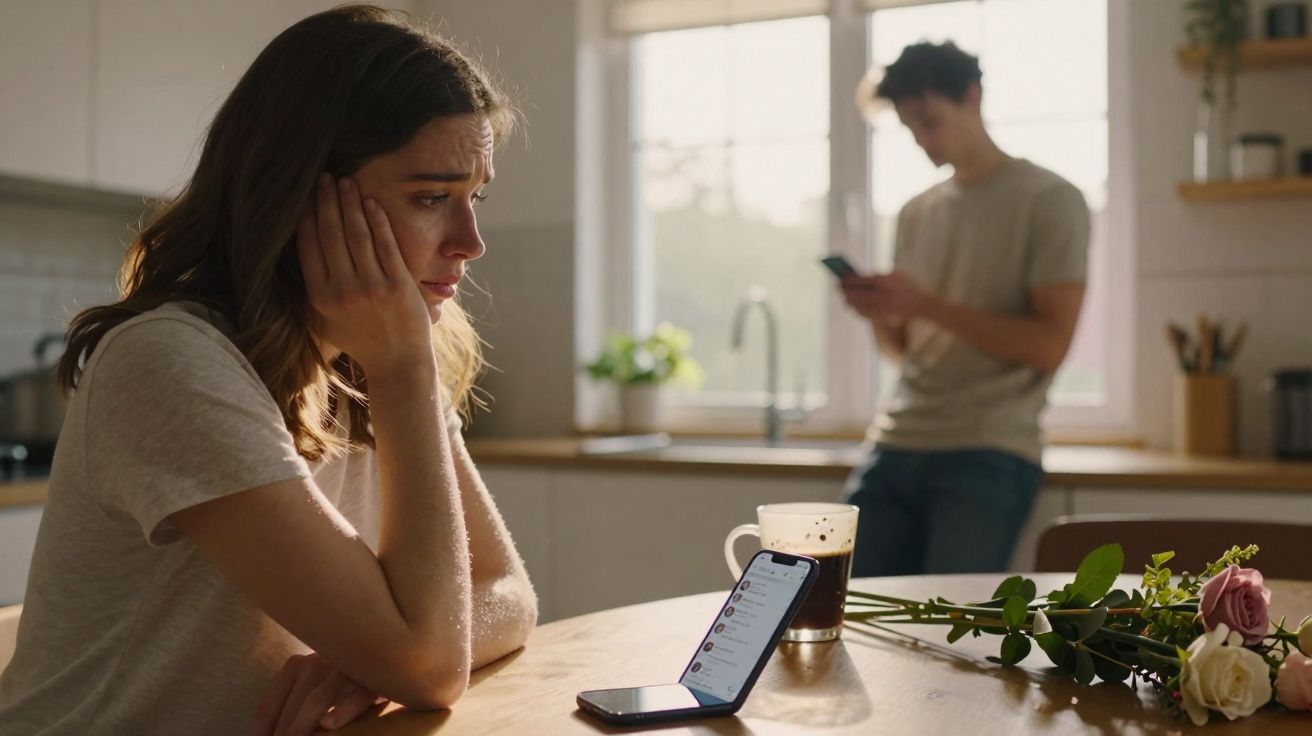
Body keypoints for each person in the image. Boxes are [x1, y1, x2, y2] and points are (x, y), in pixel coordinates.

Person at [0, 6, 538, 735]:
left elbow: (505, 591)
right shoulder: (170, 363)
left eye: (474, 197)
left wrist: (367, 658)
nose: (470, 242)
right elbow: (431, 665)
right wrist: (406, 373)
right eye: (431, 198)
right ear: (302, 196)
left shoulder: (375, 354)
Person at [840, 41, 1090, 577]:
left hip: (989, 452)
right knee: (837, 615)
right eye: (910, 126)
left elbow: (1049, 347)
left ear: (973, 97)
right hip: (893, 444)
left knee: (951, 638)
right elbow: (903, 351)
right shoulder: (915, 214)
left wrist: (925, 303)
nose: (922, 139)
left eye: (930, 120)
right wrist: (881, 312)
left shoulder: (1050, 200)